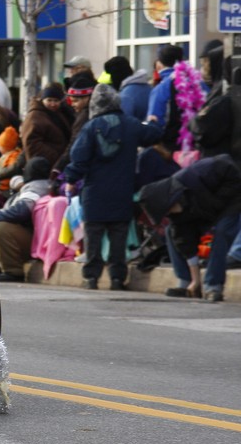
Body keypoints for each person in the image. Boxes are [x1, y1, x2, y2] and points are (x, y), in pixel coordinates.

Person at [63, 85, 162, 290]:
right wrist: (153, 122)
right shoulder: (131, 125)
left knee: (93, 237)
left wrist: (71, 179)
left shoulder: (90, 128)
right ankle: (117, 278)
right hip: (122, 191)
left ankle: (91, 277)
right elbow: (152, 135)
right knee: (119, 236)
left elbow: (79, 159)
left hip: (94, 193)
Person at [139, 154, 241, 303]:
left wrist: (218, 201)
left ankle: (213, 285)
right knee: (170, 232)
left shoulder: (196, 175)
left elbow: (229, 168)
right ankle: (186, 281)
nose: (168, 215)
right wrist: (195, 280)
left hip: (231, 198)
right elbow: (185, 244)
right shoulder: (176, 215)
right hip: (206, 209)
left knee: (222, 231)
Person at [0, 156, 52, 282]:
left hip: (34, 238)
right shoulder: (31, 186)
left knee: (0, 228)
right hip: (26, 235)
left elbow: (21, 211)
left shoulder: (38, 187)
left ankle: (13, 271)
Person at [20, 84, 73, 169]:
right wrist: (56, 158)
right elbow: (32, 143)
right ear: (42, 100)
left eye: (56, 101)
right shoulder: (35, 116)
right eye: (49, 100)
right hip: (45, 166)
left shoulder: (58, 113)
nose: (53, 104)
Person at [105, 55, 151, 123]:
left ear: (116, 75)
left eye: (111, 76)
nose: (111, 79)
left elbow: (124, 125)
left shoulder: (125, 96)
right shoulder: (148, 87)